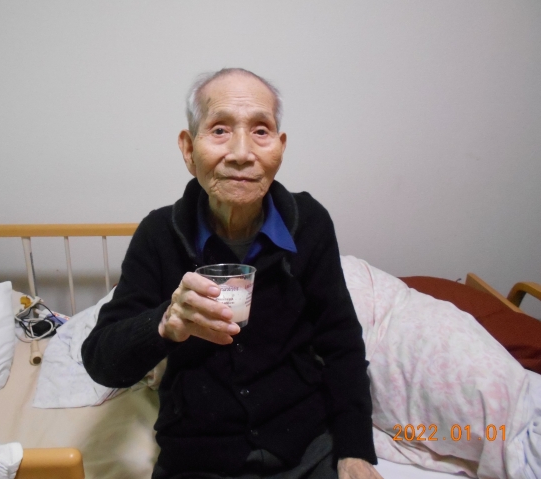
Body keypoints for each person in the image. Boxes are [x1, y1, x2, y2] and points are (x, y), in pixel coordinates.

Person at [82, 68, 382, 479]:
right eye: (220, 129)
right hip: (197, 455)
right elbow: (101, 362)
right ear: (188, 149)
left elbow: (341, 341)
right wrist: (166, 323)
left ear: (280, 147)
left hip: (306, 445)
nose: (242, 153)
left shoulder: (309, 222)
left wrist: (355, 450)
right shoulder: (158, 234)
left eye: (261, 131)